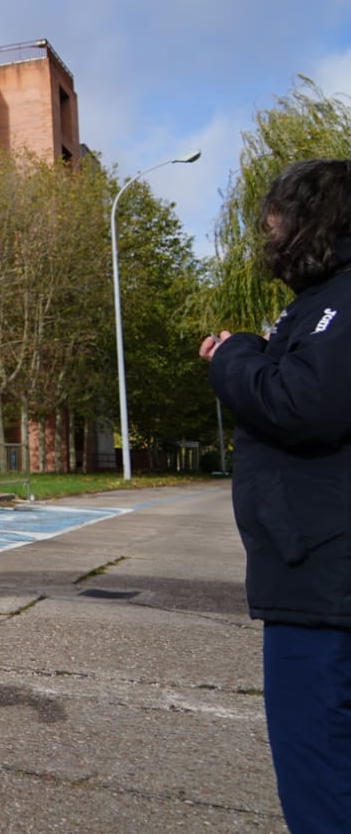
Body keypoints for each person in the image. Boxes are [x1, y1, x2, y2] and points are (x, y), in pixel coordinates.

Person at [201, 158, 351, 833]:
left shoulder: (340, 302)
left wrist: (234, 357)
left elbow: (303, 403)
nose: (268, 237)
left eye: (276, 223)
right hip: (320, 576)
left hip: (325, 588)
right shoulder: (325, 305)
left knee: (321, 775)